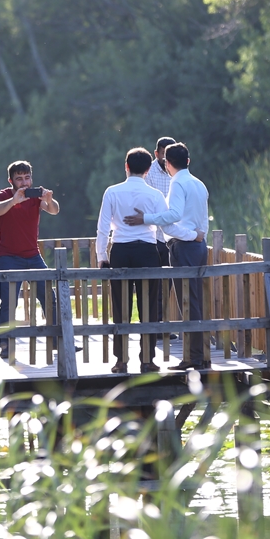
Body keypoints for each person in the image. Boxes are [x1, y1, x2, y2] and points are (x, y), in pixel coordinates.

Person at [97, 148, 197, 374]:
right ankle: (147, 360)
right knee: (149, 305)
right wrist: (193, 235)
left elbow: (103, 228)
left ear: (126, 166)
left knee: (120, 306)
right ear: (149, 168)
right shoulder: (155, 195)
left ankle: (121, 361)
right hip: (147, 250)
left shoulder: (112, 192)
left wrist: (102, 256)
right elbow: (167, 226)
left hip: (120, 250)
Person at [124, 142, 209, 370]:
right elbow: (204, 222)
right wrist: (198, 236)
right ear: (188, 161)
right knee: (195, 300)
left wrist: (146, 219)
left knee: (187, 302)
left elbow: (173, 216)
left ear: (167, 163)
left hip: (185, 245)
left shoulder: (177, 183)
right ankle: (197, 355)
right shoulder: (199, 184)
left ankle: (194, 358)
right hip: (200, 247)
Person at [0, 160, 60, 359]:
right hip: (9, 257)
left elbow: (54, 210)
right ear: (11, 180)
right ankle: (5, 345)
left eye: (27, 178)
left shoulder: (36, 195)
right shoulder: (4, 195)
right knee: (9, 302)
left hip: (33, 255)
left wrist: (48, 199)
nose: (23, 183)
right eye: (19, 179)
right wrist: (14, 200)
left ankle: (57, 340)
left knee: (49, 297)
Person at [145, 136, 176, 268]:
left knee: (170, 281)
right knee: (154, 280)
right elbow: (148, 204)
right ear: (156, 154)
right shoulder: (148, 172)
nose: (166, 158)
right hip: (154, 236)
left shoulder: (177, 171)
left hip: (174, 234)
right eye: (164, 153)